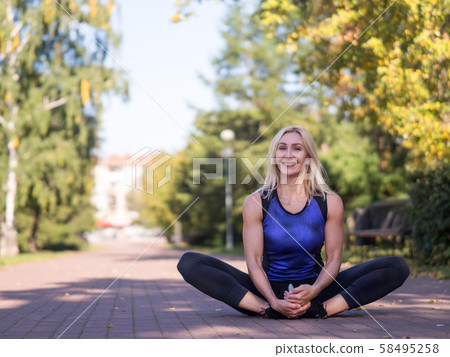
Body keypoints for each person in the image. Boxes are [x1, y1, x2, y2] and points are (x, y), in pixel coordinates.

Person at [177, 125, 410, 319]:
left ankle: (322, 311)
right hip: (266, 291)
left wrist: (315, 291)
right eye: (282, 148)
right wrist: (271, 302)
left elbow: (335, 258)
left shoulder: (330, 202)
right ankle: (266, 311)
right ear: (275, 155)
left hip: (317, 289)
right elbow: (254, 263)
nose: (288, 154)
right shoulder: (256, 202)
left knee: (396, 266)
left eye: (297, 148)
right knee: (189, 262)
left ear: (308, 157)